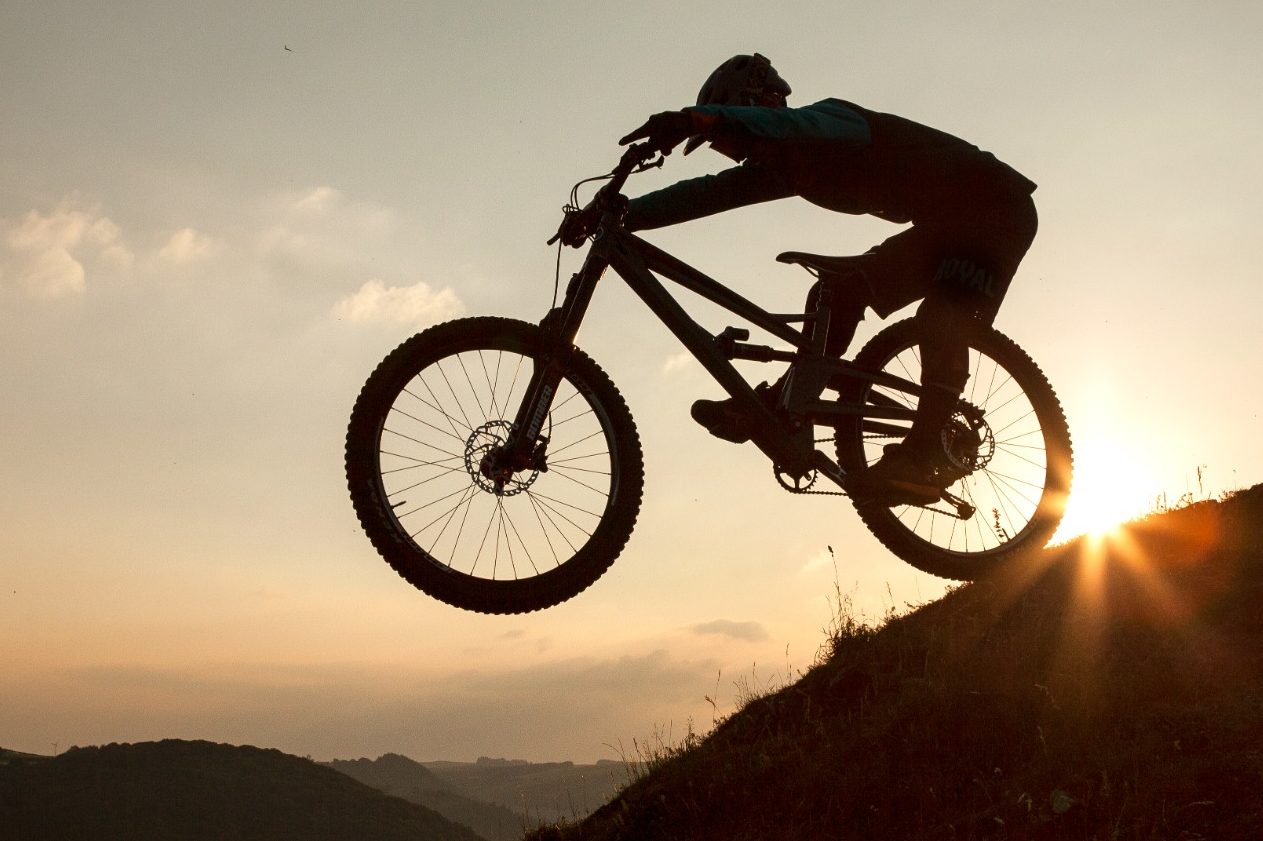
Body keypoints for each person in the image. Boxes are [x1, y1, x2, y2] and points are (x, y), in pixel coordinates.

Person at [615, 53, 1038, 506]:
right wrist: (623, 213)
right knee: (837, 291)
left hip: (997, 210)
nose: (730, 151)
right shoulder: (786, 167)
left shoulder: (829, 120)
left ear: (760, 107)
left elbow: (795, 127)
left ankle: (927, 455)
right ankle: (778, 407)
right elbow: (708, 193)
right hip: (944, 228)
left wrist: (697, 120)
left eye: (728, 139)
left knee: (942, 316)